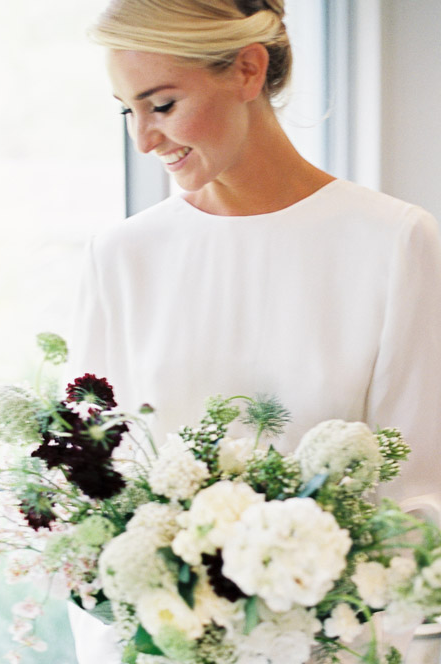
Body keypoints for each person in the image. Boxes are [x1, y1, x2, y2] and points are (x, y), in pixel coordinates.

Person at [67, 0, 441, 660]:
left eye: (161, 105)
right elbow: (92, 492)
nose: (144, 140)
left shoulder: (394, 242)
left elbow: (417, 500)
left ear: (246, 69)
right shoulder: (121, 256)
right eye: (128, 110)